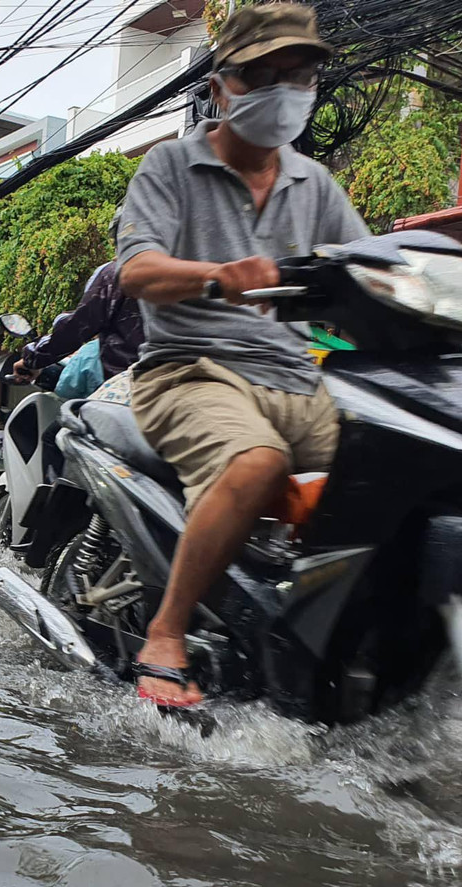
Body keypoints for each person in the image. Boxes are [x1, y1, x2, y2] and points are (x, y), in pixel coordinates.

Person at [111, 3, 370, 707]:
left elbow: (373, 270)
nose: (286, 90)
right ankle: (166, 631)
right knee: (258, 462)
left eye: (301, 74)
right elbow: (135, 272)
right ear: (225, 85)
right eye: (267, 75)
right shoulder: (170, 164)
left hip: (295, 376)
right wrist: (216, 275)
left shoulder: (315, 184)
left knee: (393, 464)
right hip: (190, 369)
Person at [13, 217, 145, 387]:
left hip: (128, 391)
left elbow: (75, 328)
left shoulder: (115, 274)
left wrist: (32, 358)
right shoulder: (185, 272)